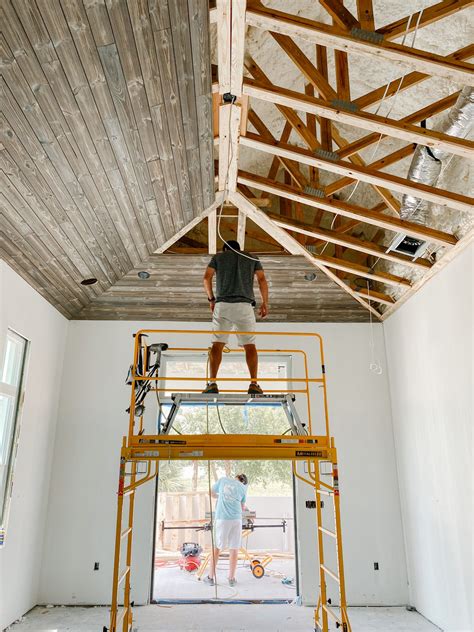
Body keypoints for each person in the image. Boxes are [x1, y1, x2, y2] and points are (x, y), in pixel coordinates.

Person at [203, 240, 269, 395]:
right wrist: (265, 302)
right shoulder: (252, 257)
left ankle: (212, 383)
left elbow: (206, 278)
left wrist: (211, 300)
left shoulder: (219, 258)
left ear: (225, 248)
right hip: (244, 307)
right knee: (250, 345)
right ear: (240, 249)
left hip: (223, 305)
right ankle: (253, 383)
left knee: (217, 344)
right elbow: (262, 280)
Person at [204, 473, 249, 587]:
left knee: (217, 548)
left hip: (222, 519)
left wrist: (220, 496)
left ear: (236, 477)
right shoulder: (243, 488)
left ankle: (210, 577)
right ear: (244, 482)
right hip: (236, 520)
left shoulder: (223, 480)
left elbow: (210, 492)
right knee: (234, 548)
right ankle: (231, 578)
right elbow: (243, 507)